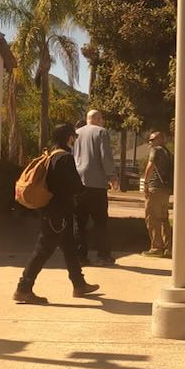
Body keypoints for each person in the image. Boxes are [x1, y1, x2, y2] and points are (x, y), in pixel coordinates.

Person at [14, 123, 100, 304]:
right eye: (74, 137)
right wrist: (85, 192)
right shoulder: (65, 158)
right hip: (58, 213)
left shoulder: (52, 155)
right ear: (69, 137)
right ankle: (23, 288)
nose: (75, 140)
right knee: (42, 250)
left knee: (69, 247)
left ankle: (79, 284)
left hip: (55, 211)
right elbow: (73, 185)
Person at [73, 109, 118, 266]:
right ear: (98, 119)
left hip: (79, 183)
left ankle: (80, 256)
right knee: (100, 222)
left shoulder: (76, 133)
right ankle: (103, 256)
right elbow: (105, 156)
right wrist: (112, 177)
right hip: (96, 183)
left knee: (80, 222)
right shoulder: (101, 132)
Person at [142, 130, 173, 258]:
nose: (150, 142)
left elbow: (150, 166)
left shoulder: (155, 150)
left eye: (152, 140)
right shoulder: (169, 153)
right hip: (166, 190)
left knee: (152, 218)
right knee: (164, 219)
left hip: (155, 188)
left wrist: (146, 183)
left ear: (160, 140)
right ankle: (168, 248)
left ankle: (156, 248)